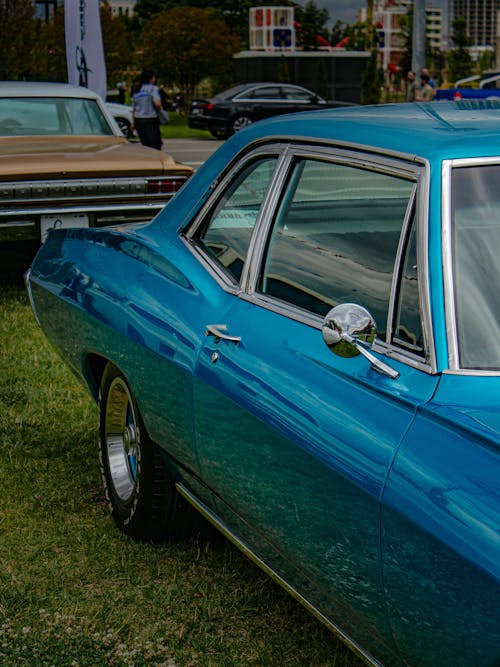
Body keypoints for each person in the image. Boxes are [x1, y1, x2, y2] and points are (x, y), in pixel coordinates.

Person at [131, 70, 162, 151]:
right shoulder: (153, 88)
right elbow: (157, 104)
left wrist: (133, 123)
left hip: (138, 119)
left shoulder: (137, 90)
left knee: (145, 143)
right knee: (155, 143)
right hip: (150, 118)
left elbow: (134, 108)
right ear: (151, 79)